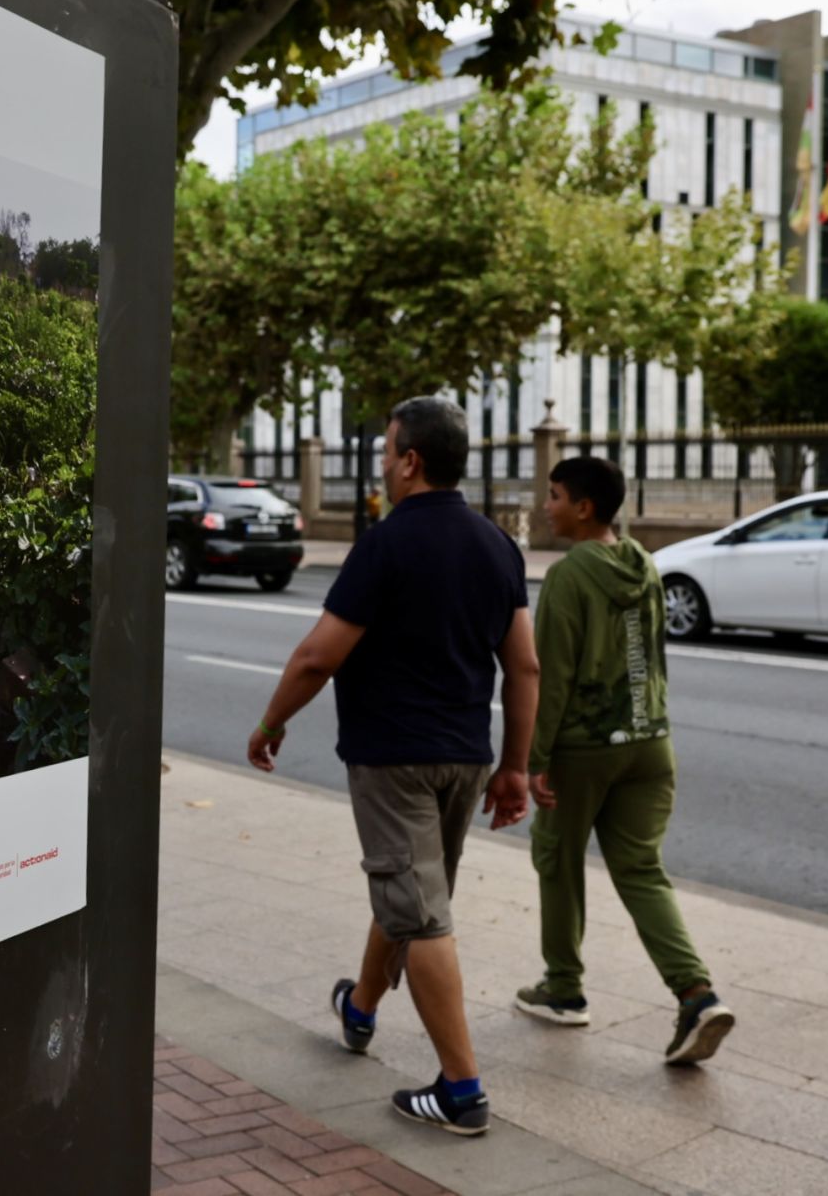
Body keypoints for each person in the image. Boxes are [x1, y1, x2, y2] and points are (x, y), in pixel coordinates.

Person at [247, 395, 539, 1137]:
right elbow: (525, 667)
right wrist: (514, 767)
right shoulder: (498, 546)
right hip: (466, 758)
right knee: (412, 892)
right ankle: (360, 1007)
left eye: (385, 451)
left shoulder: (386, 545)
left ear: (410, 461)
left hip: (393, 757)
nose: (381, 462)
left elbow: (317, 656)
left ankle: (462, 1090)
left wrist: (272, 722)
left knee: (422, 913)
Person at [512, 457, 734, 1065]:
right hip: (650, 741)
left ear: (584, 508)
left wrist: (535, 758)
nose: (546, 506)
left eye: (555, 496)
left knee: (557, 858)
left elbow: (551, 674)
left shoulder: (568, 576)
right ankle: (696, 994)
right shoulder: (643, 564)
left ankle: (563, 989)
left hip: (584, 747)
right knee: (640, 870)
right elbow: (654, 656)